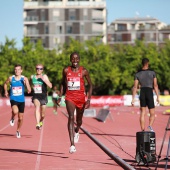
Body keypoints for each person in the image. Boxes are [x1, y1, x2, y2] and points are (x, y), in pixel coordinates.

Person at [58, 52, 93, 153]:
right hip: (70, 97)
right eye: (73, 59)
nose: (75, 61)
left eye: (77, 59)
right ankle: (72, 144)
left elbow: (90, 85)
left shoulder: (84, 71)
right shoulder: (66, 70)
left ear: (79, 60)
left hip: (81, 98)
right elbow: (62, 84)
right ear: (70, 60)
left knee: (79, 121)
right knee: (71, 117)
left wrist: (89, 99)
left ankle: (77, 130)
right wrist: (60, 96)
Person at [131, 58, 159, 132]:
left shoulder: (137, 74)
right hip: (149, 91)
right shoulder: (152, 73)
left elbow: (135, 87)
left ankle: (142, 130)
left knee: (142, 113)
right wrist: (158, 96)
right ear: (147, 63)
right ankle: (150, 126)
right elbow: (155, 85)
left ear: (142, 63)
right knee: (152, 113)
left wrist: (133, 98)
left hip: (142, 92)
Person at [4, 64, 31, 138]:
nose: (17, 71)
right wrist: (6, 91)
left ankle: (18, 130)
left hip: (21, 100)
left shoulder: (24, 78)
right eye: (16, 69)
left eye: (19, 69)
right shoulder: (11, 78)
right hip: (13, 99)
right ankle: (12, 117)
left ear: (21, 70)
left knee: (21, 118)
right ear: (14, 70)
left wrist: (28, 88)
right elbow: (5, 84)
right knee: (15, 111)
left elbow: (29, 87)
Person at [30, 64, 52, 130]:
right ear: (35, 69)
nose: (39, 70)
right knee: (37, 107)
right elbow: (29, 82)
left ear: (42, 70)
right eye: (37, 68)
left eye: (40, 69)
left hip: (43, 97)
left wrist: (44, 80)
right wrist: (29, 87)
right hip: (36, 96)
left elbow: (50, 85)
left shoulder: (44, 76)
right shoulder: (32, 76)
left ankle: (41, 121)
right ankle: (37, 123)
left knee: (43, 115)